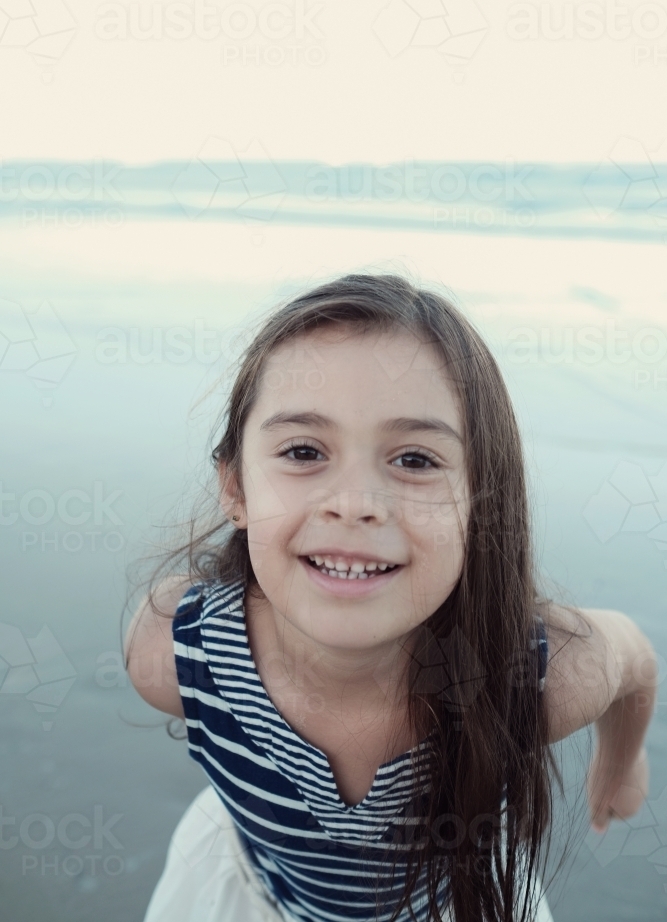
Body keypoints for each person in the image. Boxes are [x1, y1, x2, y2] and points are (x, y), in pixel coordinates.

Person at [125, 273, 657, 922]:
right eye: (302, 451)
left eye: (413, 461)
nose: (354, 503)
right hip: (255, 893)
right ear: (235, 488)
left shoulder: (536, 679)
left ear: (479, 502)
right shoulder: (173, 655)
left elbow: (632, 658)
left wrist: (620, 762)